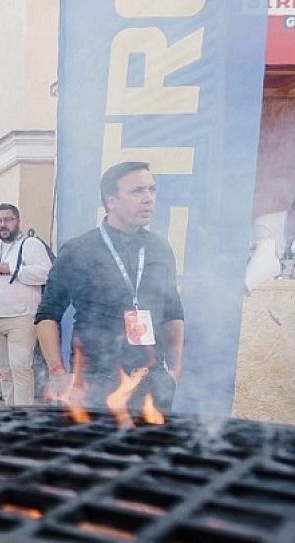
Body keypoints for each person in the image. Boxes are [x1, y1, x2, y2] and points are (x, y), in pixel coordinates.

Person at [36, 161, 184, 413]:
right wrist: (58, 372)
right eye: (137, 191)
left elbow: (173, 313)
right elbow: (47, 315)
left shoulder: (160, 248)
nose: (148, 198)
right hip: (95, 382)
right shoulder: (78, 250)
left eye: (152, 190)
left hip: (152, 382)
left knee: (150, 451)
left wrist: (174, 370)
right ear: (111, 200)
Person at [0, 203, 52, 405]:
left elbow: (46, 273)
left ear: (18, 221)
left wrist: (13, 269)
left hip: (22, 316)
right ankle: (10, 414)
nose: (3, 225)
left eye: (8, 220)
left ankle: (22, 418)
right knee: (4, 370)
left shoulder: (31, 244)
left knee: (20, 368)